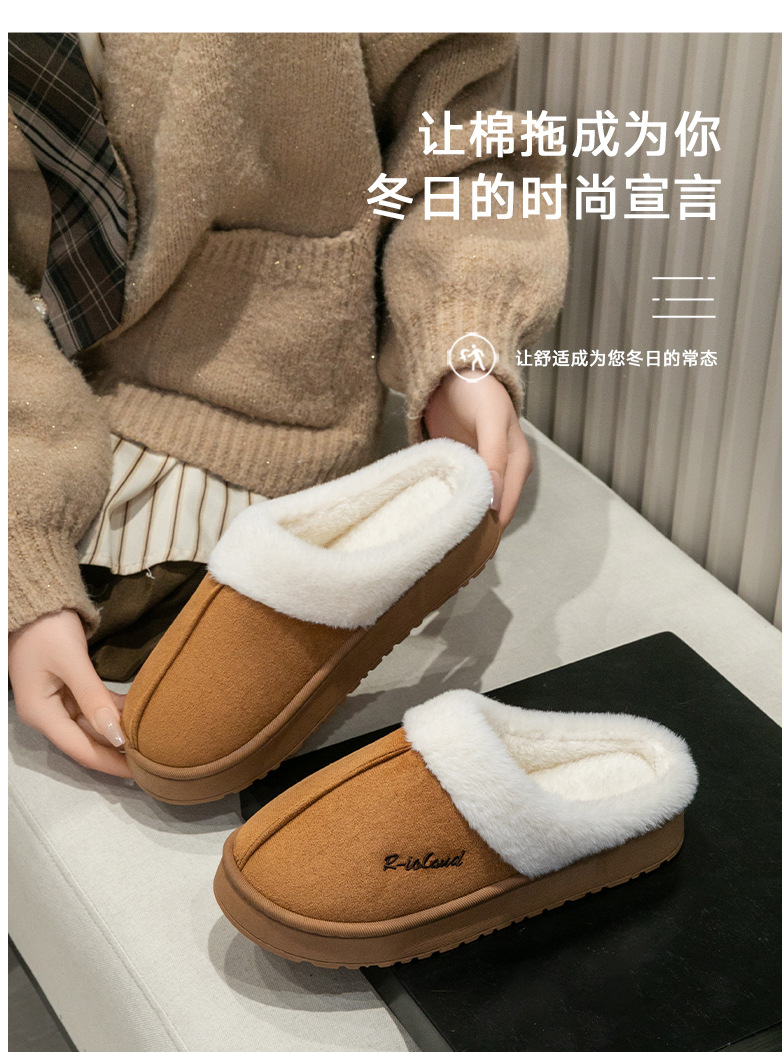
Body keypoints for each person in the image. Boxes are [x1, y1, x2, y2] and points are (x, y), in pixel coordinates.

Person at [8, 32, 568, 780]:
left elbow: (461, 144)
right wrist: (20, 552)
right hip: (26, 405)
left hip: (267, 411)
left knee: (179, 710)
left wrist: (462, 334)